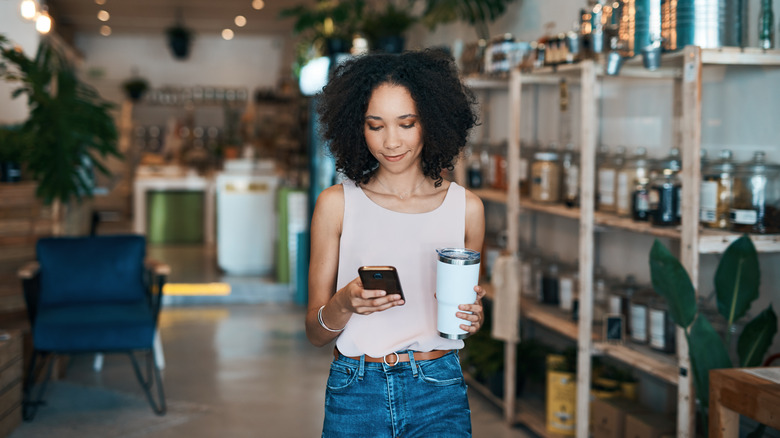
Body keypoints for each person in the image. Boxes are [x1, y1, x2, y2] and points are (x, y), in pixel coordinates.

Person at [306, 49, 486, 438]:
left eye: (406, 124)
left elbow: (465, 315)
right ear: (357, 126)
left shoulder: (466, 209)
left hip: (438, 390)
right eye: (375, 125)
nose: (390, 141)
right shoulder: (336, 205)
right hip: (356, 390)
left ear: (433, 122)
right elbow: (316, 332)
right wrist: (344, 303)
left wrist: (473, 318)